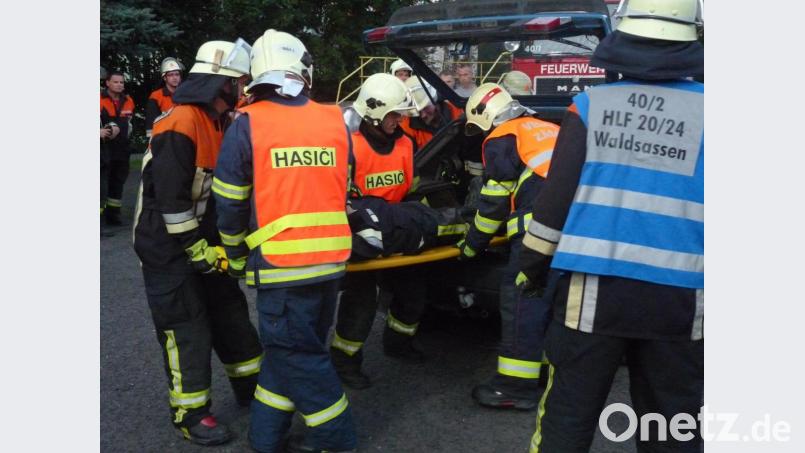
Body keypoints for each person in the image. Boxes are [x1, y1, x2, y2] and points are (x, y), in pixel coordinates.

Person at [518, 0, 704, 450]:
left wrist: (530, 268)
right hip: (682, 300)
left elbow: (553, 206)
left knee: (568, 416)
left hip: (593, 295)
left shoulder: (588, 107)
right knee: (672, 426)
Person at [212, 29, 357, 453]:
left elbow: (230, 202)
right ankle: (266, 438)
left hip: (281, 269)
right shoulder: (335, 119)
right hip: (331, 263)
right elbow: (342, 187)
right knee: (287, 355)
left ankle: (337, 442)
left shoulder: (249, 124)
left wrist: (236, 253)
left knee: (301, 359)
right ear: (303, 70)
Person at [132, 39, 263, 446]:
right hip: (166, 245)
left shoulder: (223, 119)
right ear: (220, 83)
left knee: (231, 314)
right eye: (238, 81)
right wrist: (195, 249)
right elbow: (170, 201)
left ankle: (252, 390)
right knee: (185, 326)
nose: (242, 88)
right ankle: (190, 412)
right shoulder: (180, 123)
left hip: (203, 238)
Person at [456, 82, 559, 410]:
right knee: (550, 303)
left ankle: (515, 387)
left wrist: (471, 246)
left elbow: (493, 206)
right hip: (576, 230)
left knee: (521, 304)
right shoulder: (547, 128)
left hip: (536, 234)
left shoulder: (503, 137)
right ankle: (543, 372)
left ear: (486, 116)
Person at [330, 73, 430, 389]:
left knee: (414, 290)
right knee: (361, 298)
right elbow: (339, 198)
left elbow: (410, 189)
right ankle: (345, 362)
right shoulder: (350, 147)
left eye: (400, 114)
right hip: (362, 233)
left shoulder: (405, 143)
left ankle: (398, 343)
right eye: (392, 114)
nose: (398, 120)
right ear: (373, 111)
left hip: (396, 229)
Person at [100, 70, 135, 226]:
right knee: (102, 182)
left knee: (118, 181)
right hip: (105, 148)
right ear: (107, 83)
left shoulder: (128, 101)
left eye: (121, 82)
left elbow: (129, 123)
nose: (119, 85)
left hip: (122, 148)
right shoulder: (99, 99)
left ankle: (113, 215)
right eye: (116, 82)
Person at [399, 76, 463, 150]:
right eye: (417, 111)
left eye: (425, 108)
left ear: (435, 99)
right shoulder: (407, 127)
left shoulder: (456, 112)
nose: (423, 115)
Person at [145, 57, 185, 138]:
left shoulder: (186, 95)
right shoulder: (156, 96)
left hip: (185, 135)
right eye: (171, 75)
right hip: (164, 138)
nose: (175, 78)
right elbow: (151, 122)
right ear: (164, 78)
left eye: (177, 74)